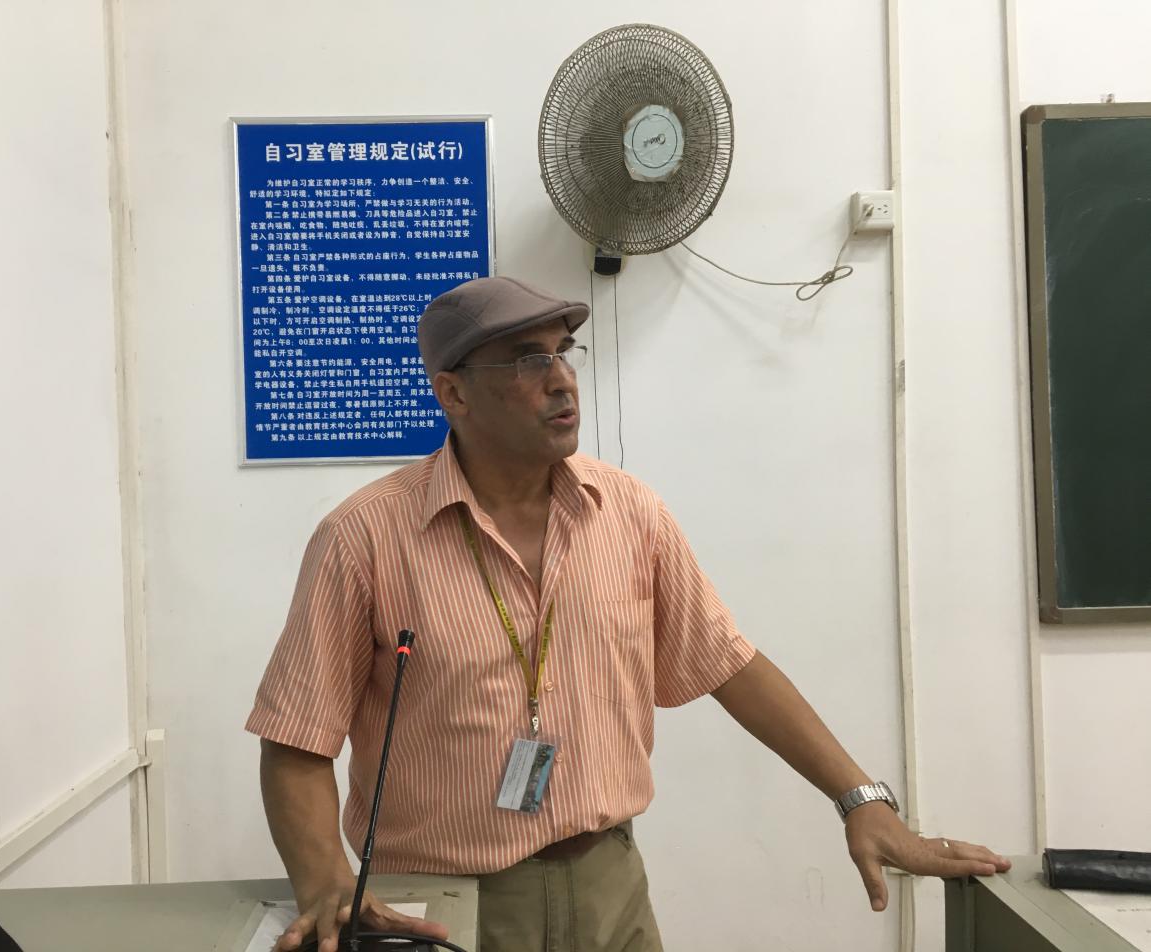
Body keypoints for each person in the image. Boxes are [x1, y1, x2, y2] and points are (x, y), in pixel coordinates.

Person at [247, 276, 1010, 952]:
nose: (560, 380)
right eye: (526, 360)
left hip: (608, 884)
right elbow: (296, 738)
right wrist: (324, 878)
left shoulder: (628, 512)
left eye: (563, 352)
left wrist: (859, 800)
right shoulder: (365, 537)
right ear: (453, 394)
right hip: (443, 903)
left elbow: (728, 663)